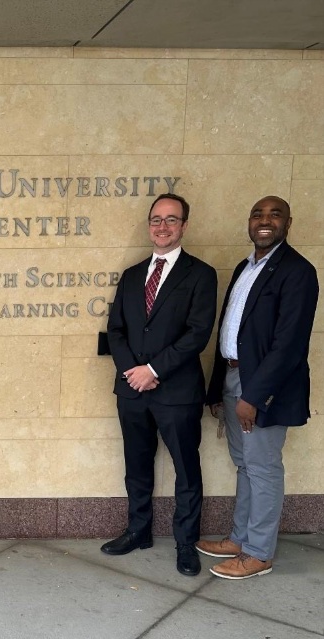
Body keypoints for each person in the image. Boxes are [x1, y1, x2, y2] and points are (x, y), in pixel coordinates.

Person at [196, 196, 318, 579]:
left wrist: (254, 396)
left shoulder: (297, 271)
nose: (265, 221)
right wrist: (218, 389)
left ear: (288, 223)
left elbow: (289, 343)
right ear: (249, 222)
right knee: (245, 465)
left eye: (274, 215)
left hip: (263, 387)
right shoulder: (245, 266)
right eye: (258, 214)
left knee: (263, 468)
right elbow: (229, 330)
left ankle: (259, 553)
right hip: (233, 378)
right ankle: (240, 538)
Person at [102, 193, 217, 576]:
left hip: (177, 392)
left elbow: (197, 333)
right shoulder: (133, 275)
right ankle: (139, 531)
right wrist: (133, 370)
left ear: (184, 225)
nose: (162, 226)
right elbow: (115, 330)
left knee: (187, 468)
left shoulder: (201, 274)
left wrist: (153, 369)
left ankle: (186, 543)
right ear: (149, 225)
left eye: (171, 219)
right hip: (131, 390)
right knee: (136, 465)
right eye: (156, 219)